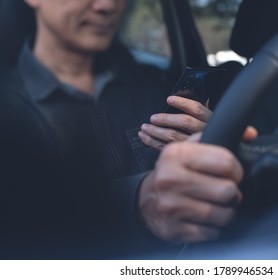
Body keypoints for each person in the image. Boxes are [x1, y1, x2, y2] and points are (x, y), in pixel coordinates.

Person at [0, 0, 256, 258]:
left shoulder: (158, 87)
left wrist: (210, 147)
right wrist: (141, 203)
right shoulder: (8, 111)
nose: (107, 6)